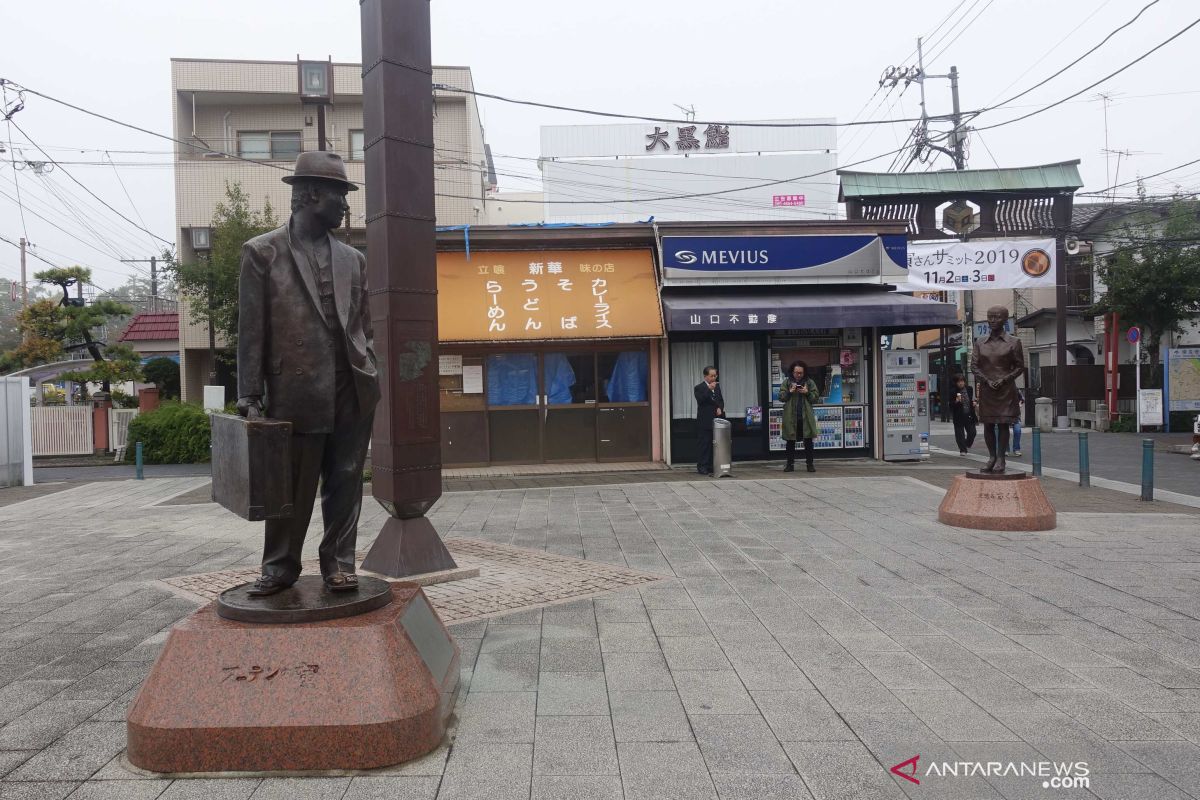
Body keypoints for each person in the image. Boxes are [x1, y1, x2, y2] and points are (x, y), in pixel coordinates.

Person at [236, 151, 380, 596]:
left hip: (351, 385)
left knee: (346, 478)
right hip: (294, 387)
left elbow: (365, 325)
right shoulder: (263, 252)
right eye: (339, 195)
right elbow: (251, 329)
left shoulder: (353, 259)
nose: (344, 205)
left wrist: (369, 366)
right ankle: (280, 566)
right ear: (311, 195)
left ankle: (338, 561)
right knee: (291, 485)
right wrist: (250, 392)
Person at [971, 305, 1025, 473]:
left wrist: (1004, 380)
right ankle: (991, 457)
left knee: (1003, 424)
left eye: (997, 317)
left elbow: (1019, 366)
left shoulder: (1014, 342)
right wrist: (986, 380)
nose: (992, 320)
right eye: (990, 317)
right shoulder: (980, 342)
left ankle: (1001, 458)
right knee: (988, 424)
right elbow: (974, 366)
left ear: (1005, 320)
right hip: (987, 389)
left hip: (1006, 390)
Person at [779, 360, 818, 473]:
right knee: (790, 441)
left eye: (801, 373)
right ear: (792, 372)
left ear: (804, 372)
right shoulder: (787, 382)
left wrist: (807, 392)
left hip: (806, 416)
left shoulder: (809, 383)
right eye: (796, 372)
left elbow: (815, 398)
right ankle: (789, 464)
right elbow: (781, 397)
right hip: (791, 417)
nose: (798, 375)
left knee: (808, 441)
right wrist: (790, 392)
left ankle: (810, 464)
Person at [693, 366, 724, 476]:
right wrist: (709, 389)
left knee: (714, 444)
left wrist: (720, 407)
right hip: (704, 420)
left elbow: (720, 400)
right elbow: (701, 401)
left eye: (715, 376)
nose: (714, 378)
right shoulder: (699, 388)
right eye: (711, 376)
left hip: (716, 420)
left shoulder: (718, 387)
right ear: (705, 376)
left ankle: (712, 466)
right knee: (704, 444)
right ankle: (702, 466)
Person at [949, 374, 977, 455]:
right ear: (956, 383)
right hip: (958, 415)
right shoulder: (953, 391)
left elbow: (970, 400)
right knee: (959, 434)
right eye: (959, 382)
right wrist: (956, 401)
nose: (961, 383)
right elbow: (950, 405)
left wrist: (973, 403)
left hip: (969, 414)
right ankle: (963, 450)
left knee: (972, 432)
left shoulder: (969, 389)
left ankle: (967, 444)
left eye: (962, 381)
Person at [1009, 390, 1025, 457]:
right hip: (1005, 414)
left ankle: (1016, 449)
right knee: (1004, 432)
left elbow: (1022, 398)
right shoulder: (1003, 389)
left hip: (1016, 415)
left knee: (1017, 430)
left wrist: (1020, 403)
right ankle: (1005, 449)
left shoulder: (1017, 390)